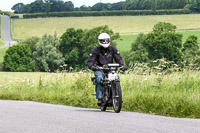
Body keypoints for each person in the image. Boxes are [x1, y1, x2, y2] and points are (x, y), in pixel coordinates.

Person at [87, 33, 125, 104]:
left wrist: (122, 65)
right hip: (99, 68)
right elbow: (90, 60)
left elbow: (118, 58)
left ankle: (117, 97)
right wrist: (92, 66)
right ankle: (100, 98)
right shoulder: (96, 50)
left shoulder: (113, 49)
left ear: (109, 40)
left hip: (110, 69)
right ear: (100, 41)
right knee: (99, 79)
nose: (105, 42)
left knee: (116, 78)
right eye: (103, 41)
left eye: (106, 40)